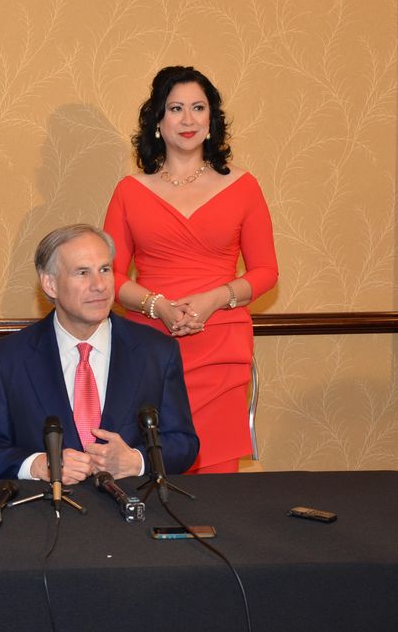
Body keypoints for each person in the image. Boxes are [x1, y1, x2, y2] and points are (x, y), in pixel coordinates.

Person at [103, 66, 278, 474]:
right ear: (158, 122)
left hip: (220, 345)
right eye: (176, 108)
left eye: (198, 108)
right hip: (149, 347)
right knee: (149, 468)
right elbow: (108, 277)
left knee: (216, 485)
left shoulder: (244, 186)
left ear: (211, 121)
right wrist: (157, 306)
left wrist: (216, 298)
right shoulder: (130, 191)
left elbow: (267, 271)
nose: (188, 119)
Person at [0, 224, 198, 482]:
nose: (99, 285)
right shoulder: (7, 358)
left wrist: (137, 460)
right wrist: (38, 465)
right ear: (50, 284)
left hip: (131, 512)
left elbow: (184, 443)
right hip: (43, 514)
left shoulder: (157, 352)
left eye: (105, 270)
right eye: (82, 272)